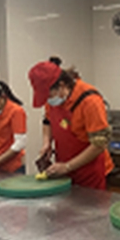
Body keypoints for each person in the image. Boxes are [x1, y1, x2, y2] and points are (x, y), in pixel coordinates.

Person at [28, 57, 114, 189]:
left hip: (90, 172)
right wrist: (46, 143)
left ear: (62, 85)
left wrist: (68, 166)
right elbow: (47, 121)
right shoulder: (53, 99)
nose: (48, 101)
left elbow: (99, 145)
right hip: (64, 169)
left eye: (49, 96)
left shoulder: (90, 101)